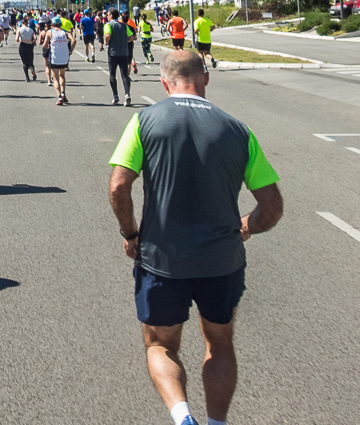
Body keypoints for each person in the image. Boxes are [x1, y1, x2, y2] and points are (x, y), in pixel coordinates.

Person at [108, 51, 283, 425]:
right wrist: (245, 227)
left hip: (162, 260)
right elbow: (272, 206)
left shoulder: (144, 121)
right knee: (219, 343)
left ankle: (182, 415)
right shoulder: (238, 130)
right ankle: (217, 421)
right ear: (206, 78)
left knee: (160, 344)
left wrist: (131, 233)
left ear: (164, 83)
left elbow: (119, 187)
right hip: (222, 261)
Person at [104, 8, 133, 107]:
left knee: (112, 74)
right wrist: (124, 41)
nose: (107, 17)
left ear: (111, 15)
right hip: (124, 53)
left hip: (113, 53)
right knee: (125, 75)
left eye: (108, 15)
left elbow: (107, 35)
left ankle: (115, 96)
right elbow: (131, 36)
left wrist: (106, 41)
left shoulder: (108, 25)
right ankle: (127, 94)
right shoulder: (124, 26)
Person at [46, 16, 73, 105]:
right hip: (64, 57)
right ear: (61, 24)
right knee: (62, 75)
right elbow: (74, 40)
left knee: (55, 78)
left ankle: (59, 96)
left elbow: (45, 44)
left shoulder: (50, 32)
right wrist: (71, 50)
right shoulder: (65, 32)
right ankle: (63, 93)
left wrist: (48, 46)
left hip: (55, 57)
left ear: (52, 24)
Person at [17, 17, 37, 82]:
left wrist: (21, 40)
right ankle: (32, 69)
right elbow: (35, 38)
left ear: (22, 23)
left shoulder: (19, 30)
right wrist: (31, 41)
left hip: (22, 45)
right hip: (30, 46)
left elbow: (16, 39)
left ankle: (27, 77)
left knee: (24, 62)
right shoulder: (31, 30)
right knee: (30, 61)